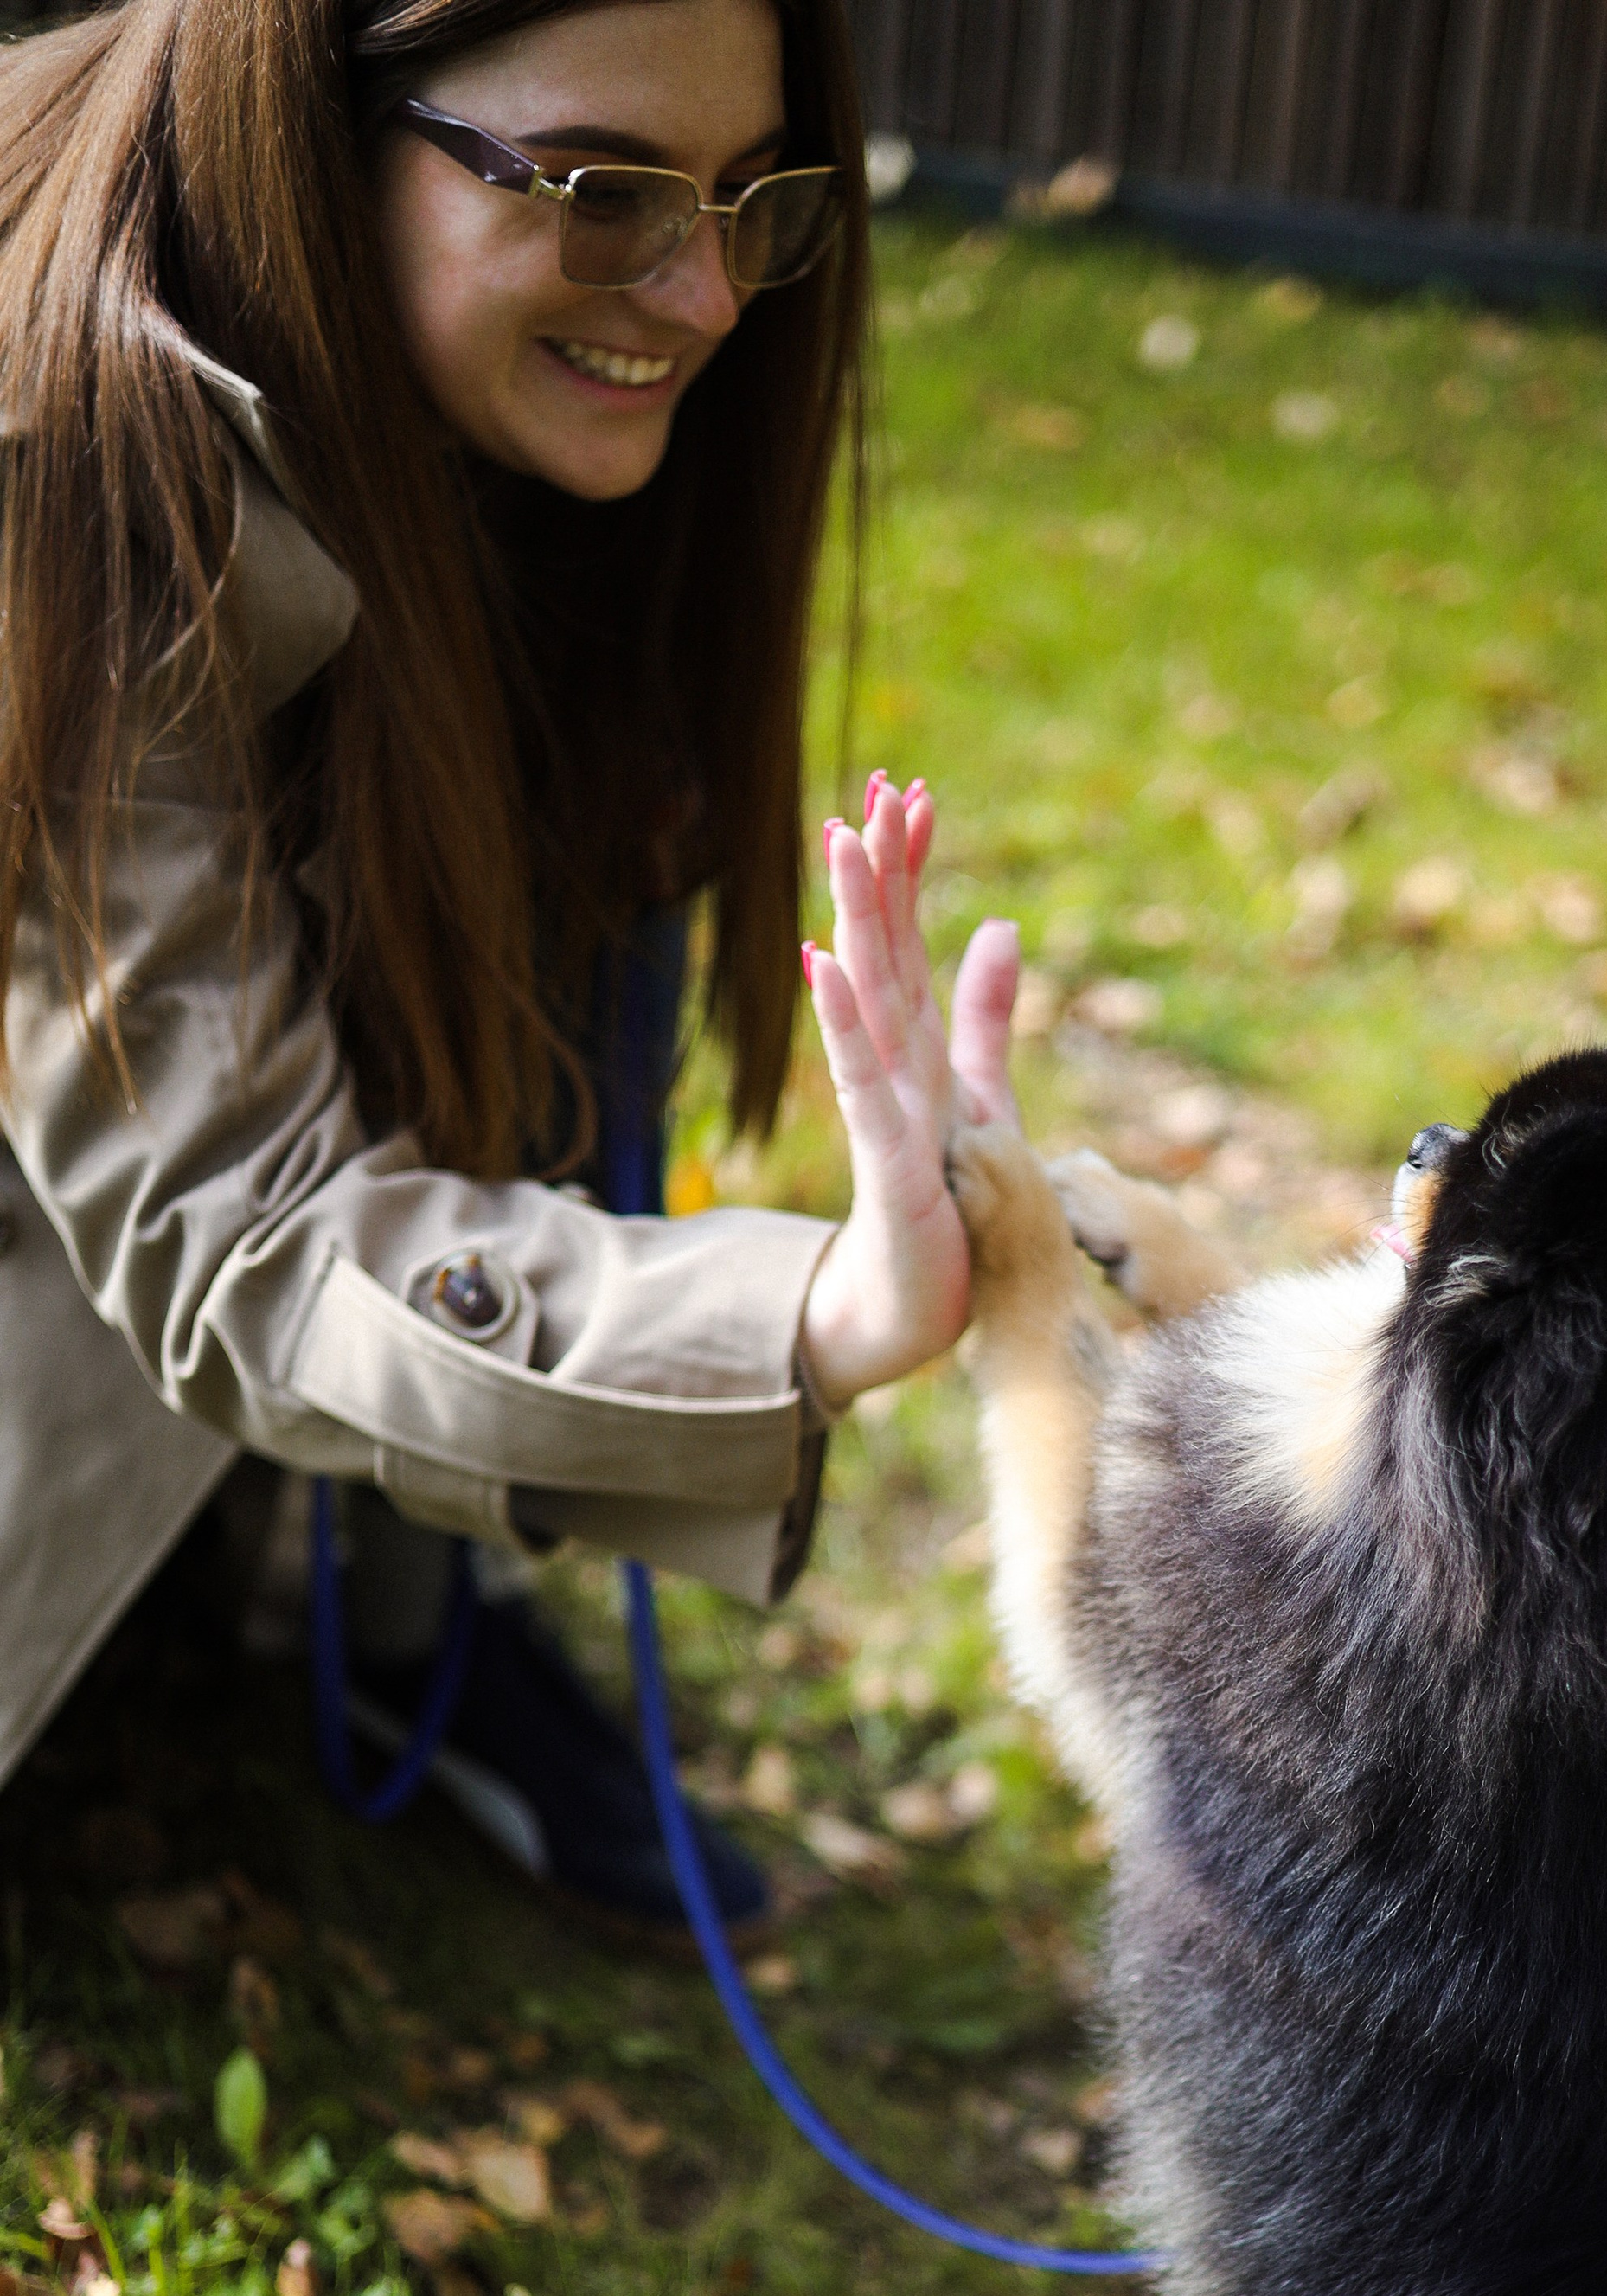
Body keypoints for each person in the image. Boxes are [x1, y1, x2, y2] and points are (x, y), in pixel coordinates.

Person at [0, 0, 1019, 1935]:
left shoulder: (398, 323)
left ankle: (424, 1611)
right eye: (604, 190)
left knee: (600, 777)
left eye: (752, 201)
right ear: (319, 102)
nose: (708, 297)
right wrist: (800, 1325)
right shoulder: (47, 442)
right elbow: (237, 1224)